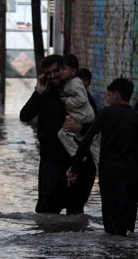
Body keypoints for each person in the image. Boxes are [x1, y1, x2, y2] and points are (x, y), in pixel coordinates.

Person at [67, 78, 138, 236]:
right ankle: (126, 246)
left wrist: (74, 168)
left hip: (108, 172)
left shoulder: (104, 113)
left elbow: (87, 140)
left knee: (109, 216)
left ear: (117, 95)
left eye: (109, 95)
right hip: (130, 173)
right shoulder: (137, 117)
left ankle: (110, 246)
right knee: (127, 215)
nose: (107, 98)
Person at [19, 54, 96, 214]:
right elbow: (24, 116)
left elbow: (96, 123)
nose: (53, 76)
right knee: (46, 213)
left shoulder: (77, 92)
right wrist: (38, 92)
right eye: (48, 73)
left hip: (75, 163)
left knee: (75, 213)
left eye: (56, 71)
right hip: (50, 163)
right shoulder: (44, 94)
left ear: (63, 70)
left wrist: (80, 127)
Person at [56, 55, 98, 164]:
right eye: (59, 69)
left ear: (73, 71)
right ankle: (81, 157)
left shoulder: (75, 83)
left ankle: (77, 155)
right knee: (92, 145)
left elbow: (82, 99)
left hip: (82, 115)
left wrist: (67, 101)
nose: (60, 72)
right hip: (82, 115)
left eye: (64, 69)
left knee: (63, 134)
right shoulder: (70, 83)